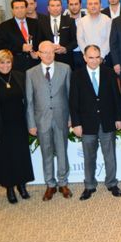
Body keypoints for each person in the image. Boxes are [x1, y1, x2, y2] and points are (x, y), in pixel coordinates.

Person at [69, 45, 121, 200]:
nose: (94, 60)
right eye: (91, 57)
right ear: (84, 58)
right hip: (86, 124)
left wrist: (118, 118)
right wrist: (76, 124)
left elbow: (116, 97)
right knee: (89, 157)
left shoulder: (109, 73)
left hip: (107, 121)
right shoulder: (77, 75)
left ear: (101, 58)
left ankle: (112, 183)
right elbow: (73, 101)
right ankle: (89, 186)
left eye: (97, 57)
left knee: (110, 156)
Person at [0, 50, 34, 204]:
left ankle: (21, 185)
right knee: (5, 158)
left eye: (8, 62)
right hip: (0, 127)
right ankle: (9, 188)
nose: (5, 65)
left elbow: (28, 101)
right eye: (2, 62)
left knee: (21, 156)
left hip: (19, 124)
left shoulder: (20, 76)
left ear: (12, 63)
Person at [25, 41, 72, 201]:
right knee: (46, 152)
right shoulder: (30, 73)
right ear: (38, 54)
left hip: (61, 118)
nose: (48, 55)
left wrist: (71, 118)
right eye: (44, 52)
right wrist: (31, 123)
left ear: (55, 52)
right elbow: (29, 101)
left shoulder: (65, 69)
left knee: (62, 151)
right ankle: (50, 184)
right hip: (41, 120)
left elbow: (70, 95)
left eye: (51, 51)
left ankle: (63, 182)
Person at [0, 0, 40, 72]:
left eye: (22, 7)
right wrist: (21, 48)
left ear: (26, 9)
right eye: (16, 8)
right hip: (16, 66)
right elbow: (2, 45)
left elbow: (41, 41)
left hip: (35, 64)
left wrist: (38, 53)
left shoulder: (36, 23)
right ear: (12, 10)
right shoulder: (5, 26)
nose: (20, 10)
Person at [38, 0, 77, 68]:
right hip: (47, 59)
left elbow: (75, 41)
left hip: (66, 59)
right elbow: (39, 40)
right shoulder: (41, 22)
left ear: (61, 8)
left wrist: (65, 49)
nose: (55, 8)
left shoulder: (70, 20)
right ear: (48, 8)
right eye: (52, 6)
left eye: (58, 5)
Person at [76, 0, 112, 67]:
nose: (93, 6)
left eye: (96, 3)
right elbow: (80, 40)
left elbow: (109, 39)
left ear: (100, 5)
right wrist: (88, 56)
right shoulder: (81, 21)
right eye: (90, 4)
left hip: (104, 58)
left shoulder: (107, 20)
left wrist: (101, 56)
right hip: (87, 59)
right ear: (87, 6)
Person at [63, 0, 86, 69]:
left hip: (85, 54)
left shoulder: (87, 19)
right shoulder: (63, 20)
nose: (74, 7)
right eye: (71, 4)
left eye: (76, 4)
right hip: (69, 54)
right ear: (68, 6)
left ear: (80, 5)